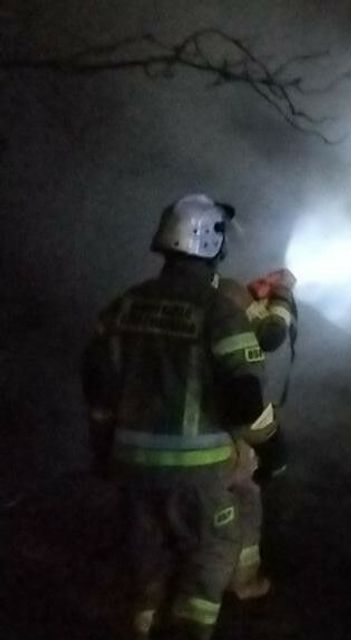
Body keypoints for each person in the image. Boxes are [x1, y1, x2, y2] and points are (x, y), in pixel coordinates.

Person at [82, 193, 277, 639]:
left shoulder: (125, 305)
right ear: (212, 244)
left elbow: (96, 384)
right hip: (198, 473)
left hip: (130, 465)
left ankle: (142, 623)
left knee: (147, 552)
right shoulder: (218, 312)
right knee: (210, 553)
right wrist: (274, 445)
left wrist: (102, 448)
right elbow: (245, 399)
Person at [216, 268, 297, 600]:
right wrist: (283, 296)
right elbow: (272, 335)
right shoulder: (234, 353)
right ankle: (242, 580)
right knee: (246, 499)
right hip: (215, 449)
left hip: (154, 438)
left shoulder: (178, 300)